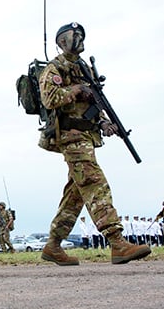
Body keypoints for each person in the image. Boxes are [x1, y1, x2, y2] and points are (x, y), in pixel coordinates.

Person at [37, 22, 151, 265]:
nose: (78, 38)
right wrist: (77, 89)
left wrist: (103, 123)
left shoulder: (83, 68)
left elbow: (93, 103)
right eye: (73, 35)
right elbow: (50, 99)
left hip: (86, 136)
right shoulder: (55, 68)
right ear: (62, 42)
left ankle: (53, 246)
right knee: (93, 182)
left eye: (80, 35)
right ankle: (117, 242)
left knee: (76, 193)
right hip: (71, 136)